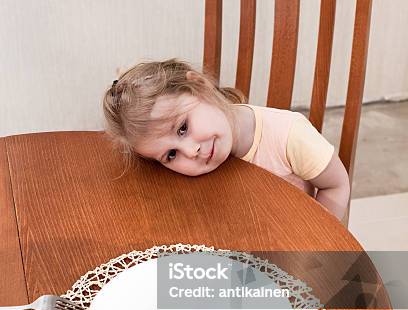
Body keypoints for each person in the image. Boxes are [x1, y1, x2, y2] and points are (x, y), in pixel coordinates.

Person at [102, 58, 350, 222]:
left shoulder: (290, 135)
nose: (191, 151)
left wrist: (317, 246)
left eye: (182, 128)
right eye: (171, 155)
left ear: (200, 86)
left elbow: (336, 184)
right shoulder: (203, 151)